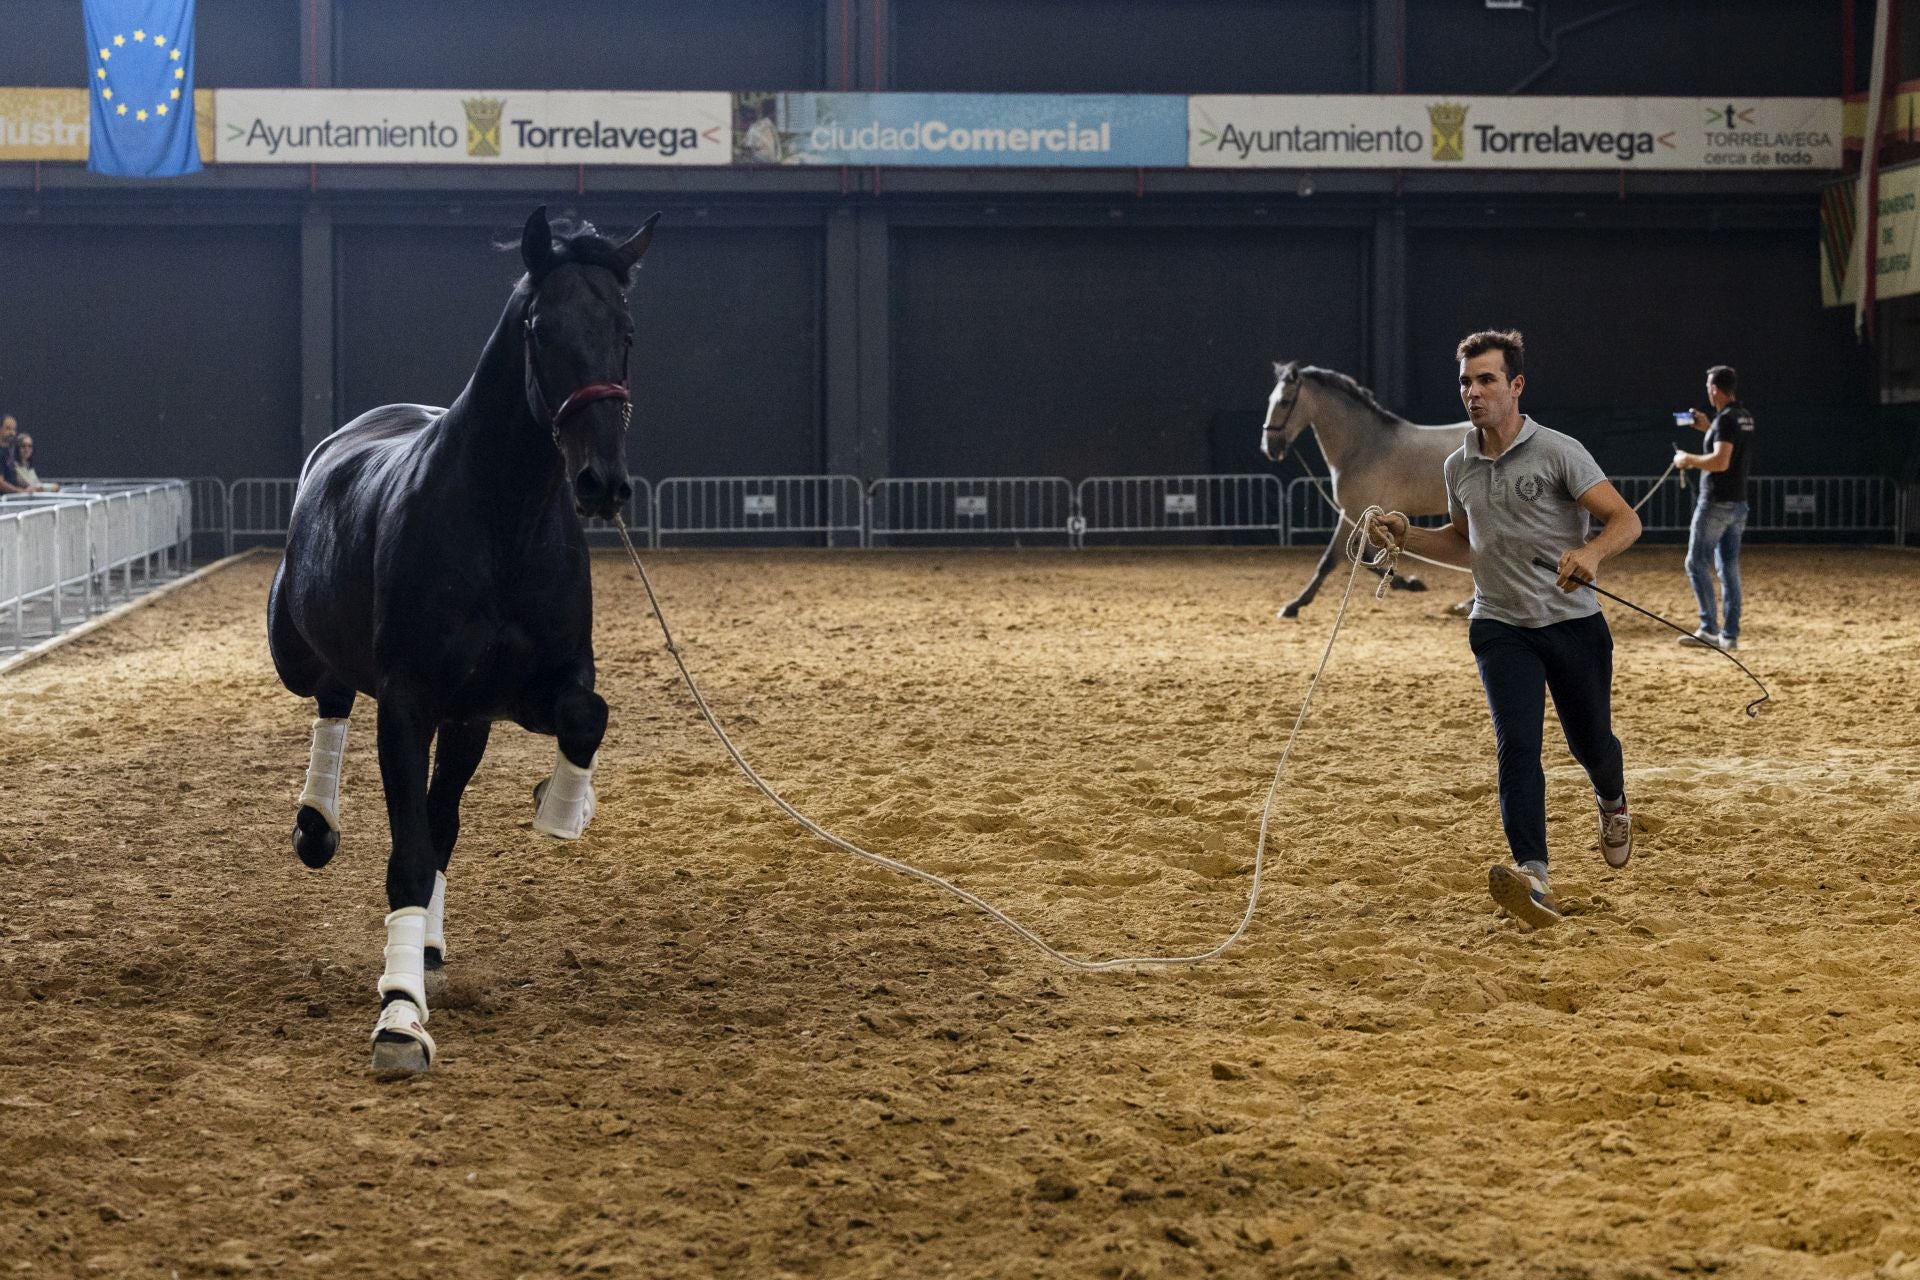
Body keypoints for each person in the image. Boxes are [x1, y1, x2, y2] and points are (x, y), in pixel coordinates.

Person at [1364, 330, 1643, 930]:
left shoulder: (1560, 452)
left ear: (1515, 385)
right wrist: (1403, 534)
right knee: (1517, 746)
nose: (1473, 392)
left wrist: (1592, 554)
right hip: (1498, 624)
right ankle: (1534, 875)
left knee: (1591, 743)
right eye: (1465, 381)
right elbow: (1464, 543)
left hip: (1572, 623)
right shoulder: (1457, 464)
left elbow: (1626, 520)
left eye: (1486, 379)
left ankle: (1613, 801)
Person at [1673, 365, 1753, 651]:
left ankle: (1708, 628)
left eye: (1709, 386)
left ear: (1715, 389)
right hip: (1738, 503)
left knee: (1696, 563)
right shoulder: (1742, 417)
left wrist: (1687, 459)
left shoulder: (1726, 421)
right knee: (1728, 568)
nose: (1707, 390)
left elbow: (1720, 462)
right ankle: (1729, 634)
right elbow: (1727, 445)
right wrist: (1707, 427)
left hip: (1716, 502)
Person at [0, 415, 28, 496]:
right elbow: (0, 483)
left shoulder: (9, 452)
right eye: (8, 428)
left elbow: (12, 477)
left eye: (14, 429)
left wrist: (31, 487)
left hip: (10, 502)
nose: (12, 432)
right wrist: (21, 492)